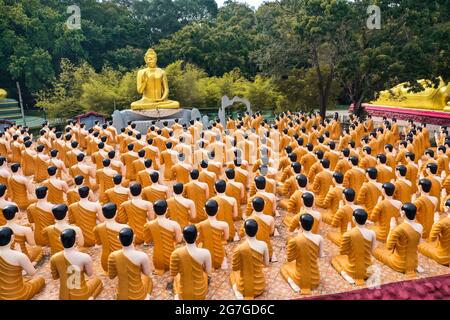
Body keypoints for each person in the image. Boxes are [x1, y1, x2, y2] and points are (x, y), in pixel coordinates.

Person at [50, 229, 103, 300]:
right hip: (81, 295)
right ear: (76, 238)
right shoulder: (85, 257)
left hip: (63, 296)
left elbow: (55, 277)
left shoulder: (54, 258)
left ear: (60, 240)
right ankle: (91, 297)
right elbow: (89, 274)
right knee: (98, 281)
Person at [374, 203, 423, 278]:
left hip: (399, 264)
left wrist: (391, 228)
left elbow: (389, 247)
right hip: (414, 263)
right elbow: (419, 242)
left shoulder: (399, 229)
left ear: (403, 213)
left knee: (376, 251)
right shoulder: (420, 227)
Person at [281, 213, 323, 294]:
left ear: (300, 224)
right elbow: (320, 255)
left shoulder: (294, 240)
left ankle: (293, 284)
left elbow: (289, 259)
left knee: (284, 268)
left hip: (299, 279)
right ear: (313, 224)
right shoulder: (319, 238)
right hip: (315, 279)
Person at [0, 226, 45, 300]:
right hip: (19, 294)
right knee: (41, 279)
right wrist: (33, 262)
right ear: (12, 238)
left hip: (1, 296)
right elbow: (32, 273)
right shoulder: (19, 255)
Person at [108, 228, 153, 300]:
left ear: (118, 239)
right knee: (148, 279)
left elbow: (111, 276)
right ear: (134, 238)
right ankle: (147, 296)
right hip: (138, 296)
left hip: (121, 296)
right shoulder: (142, 256)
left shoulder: (112, 256)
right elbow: (147, 273)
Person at [230, 219, 269, 300]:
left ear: (244, 231)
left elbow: (235, 268)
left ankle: (237, 292)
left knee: (232, 275)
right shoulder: (263, 245)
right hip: (259, 286)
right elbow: (266, 264)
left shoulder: (239, 248)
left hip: (243, 288)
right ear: (257, 230)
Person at [170, 225, 211, 300]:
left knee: (176, 278)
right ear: (197, 236)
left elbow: (173, 273)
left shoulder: (176, 253)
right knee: (204, 275)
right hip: (200, 293)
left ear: (183, 237)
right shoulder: (205, 252)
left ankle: (177, 296)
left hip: (184, 294)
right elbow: (208, 271)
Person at [143, 200, 182, 275]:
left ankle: (159, 270)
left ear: (154, 210)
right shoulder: (174, 224)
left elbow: (147, 241)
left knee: (159, 270)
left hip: (158, 260)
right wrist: (171, 237)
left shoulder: (148, 225)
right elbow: (179, 240)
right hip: (172, 257)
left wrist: (157, 236)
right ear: (167, 210)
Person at [94, 203, 128, 273]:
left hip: (106, 263)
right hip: (122, 261)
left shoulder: (97, 228)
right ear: (116, 213)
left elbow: (99, 243)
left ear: (103, 214)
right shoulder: (125, 228)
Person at [196, 199, 229, 270]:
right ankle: (223, 260)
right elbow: (226, 238)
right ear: (218, 210)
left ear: (204, 210)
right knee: (221, 246)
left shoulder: (200, 225)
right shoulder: (224, 225)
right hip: (219, 256)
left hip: (206, 257)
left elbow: (195, 241)